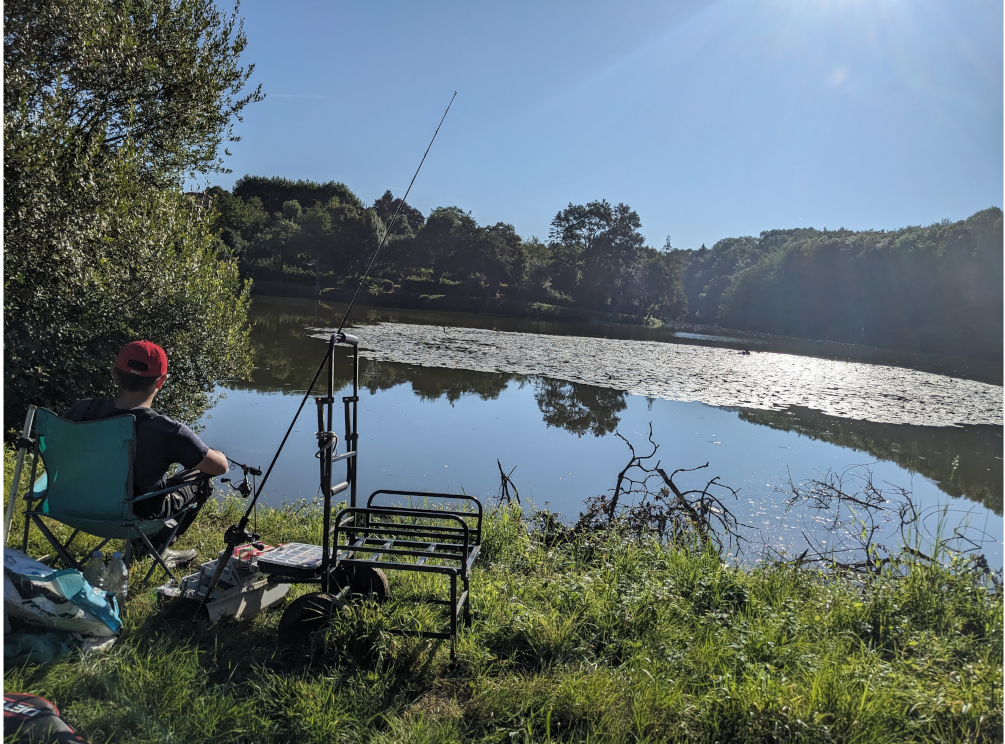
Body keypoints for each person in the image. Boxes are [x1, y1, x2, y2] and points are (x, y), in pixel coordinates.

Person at [63, 340, 228, 567]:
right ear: (161, 381)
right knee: (200, 480)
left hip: (72, 505)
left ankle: (149, 546)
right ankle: (153, 547)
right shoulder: (167, 430)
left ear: (114, 375)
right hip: (130, 516)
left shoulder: (81, 409)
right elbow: (219, 467)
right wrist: (215, 453)